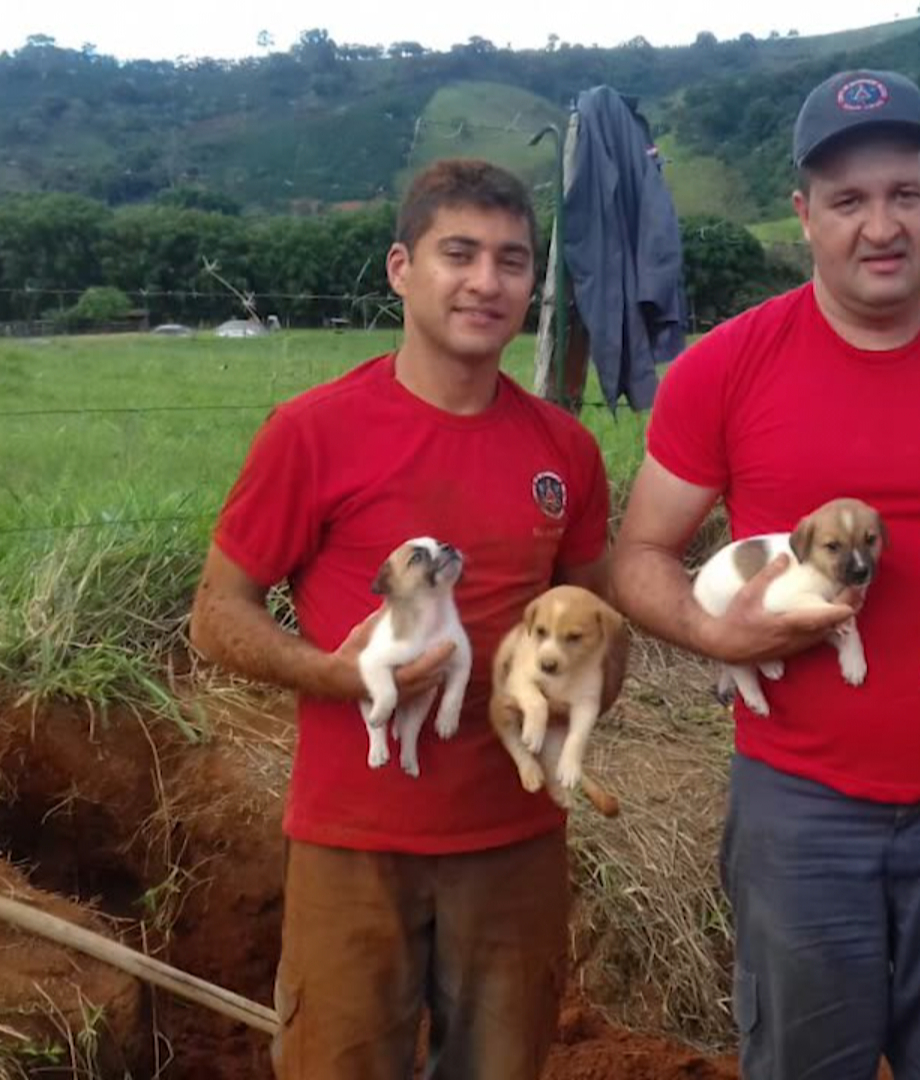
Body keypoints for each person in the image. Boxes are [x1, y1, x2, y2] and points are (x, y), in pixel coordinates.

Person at [607, 68, 920, 1079]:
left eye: (904, 194)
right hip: (799, 806)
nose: (880, 226)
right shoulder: (726, 365)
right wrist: (714, 635)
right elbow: (640, 556)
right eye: (847, 201)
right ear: (803, 216)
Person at [187, 158, 621, 1080]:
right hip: (355, 842)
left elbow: (601, 621)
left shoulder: (566, 451)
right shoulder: (314, 432)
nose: (485, 282)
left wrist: (579, 695)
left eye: (511, 260)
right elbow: (216, 614)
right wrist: (337, 676)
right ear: (400, 269)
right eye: (457, 253)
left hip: (514, 840)